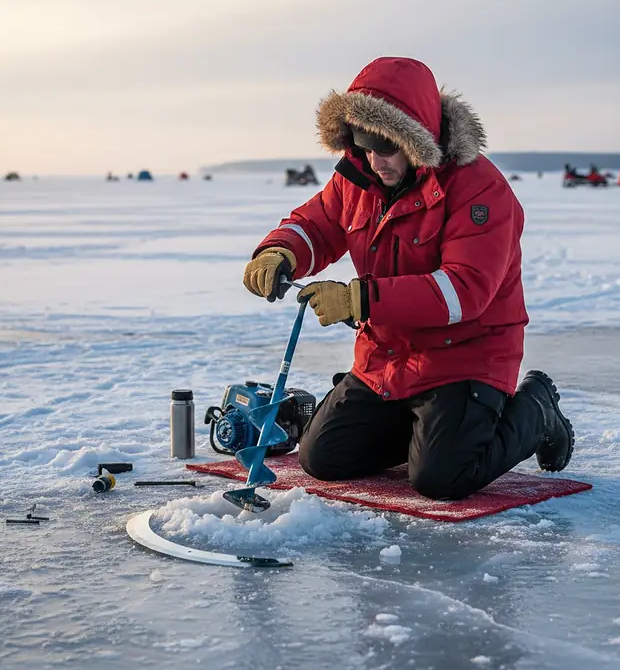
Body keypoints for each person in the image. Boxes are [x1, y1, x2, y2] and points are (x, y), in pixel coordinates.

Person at [242, 56, 574, 500]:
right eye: (363, 145)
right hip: (388, 359)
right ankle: (426, 431)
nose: (375, 160)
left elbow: (464, 291)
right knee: (322, 459)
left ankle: (536, 408)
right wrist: (279, 251)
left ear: (416, 139)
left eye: (386, 146)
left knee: (442, 479)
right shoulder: (358, 178)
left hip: (466, 358)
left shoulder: (480, 190)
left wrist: (360, 301)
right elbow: (318, 223)